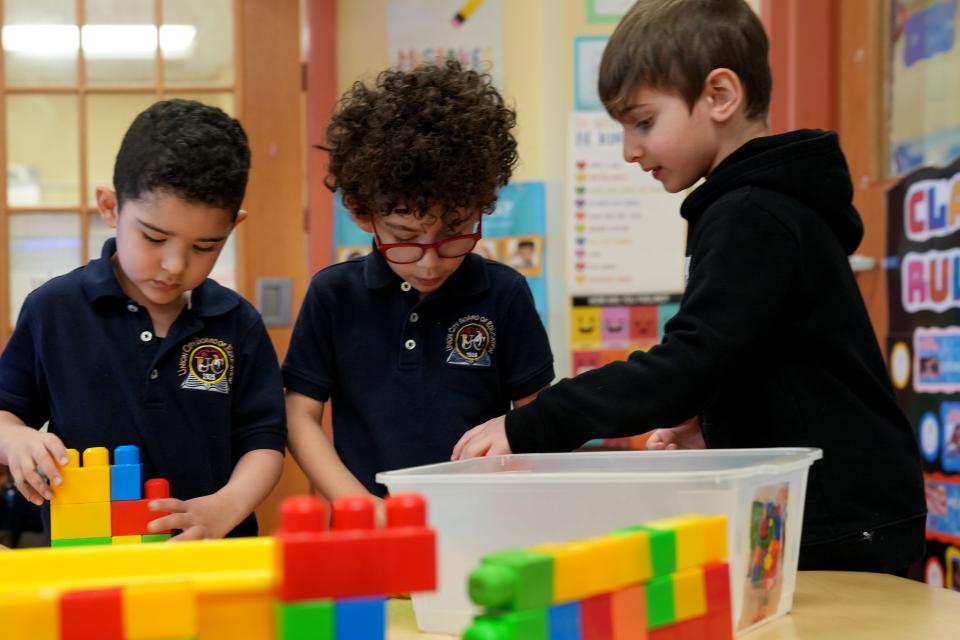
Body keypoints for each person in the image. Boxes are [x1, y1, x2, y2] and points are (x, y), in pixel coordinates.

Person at [453, 0, 925, 573]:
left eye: (643, 122)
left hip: (845, 514)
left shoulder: (752, 214)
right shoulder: (749, 208)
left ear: (720, 96)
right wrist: (718, 422)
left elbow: (688, 362)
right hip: (835, 503)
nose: (629, 149)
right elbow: (754, 351)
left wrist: (532, 423)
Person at [0, 99, 286, 541]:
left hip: (209, 557)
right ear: (111, 207)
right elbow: (6, 412)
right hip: (91, 557)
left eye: (204, 246)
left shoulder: (238, 323)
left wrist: (224, 508)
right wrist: (15, 441)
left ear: (232, 228)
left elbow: (264, 440)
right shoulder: (54, 310)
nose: (174, 265)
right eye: (154, 237)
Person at [283, 61, 554, 502]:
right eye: (405, 239)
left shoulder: (503, 294)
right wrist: (356, 504)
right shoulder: (333, 296)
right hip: (369, 530)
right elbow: (299, 414)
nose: (429, 263)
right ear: (360, 211)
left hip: (481, 522)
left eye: (453, 235)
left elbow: (535, 416)